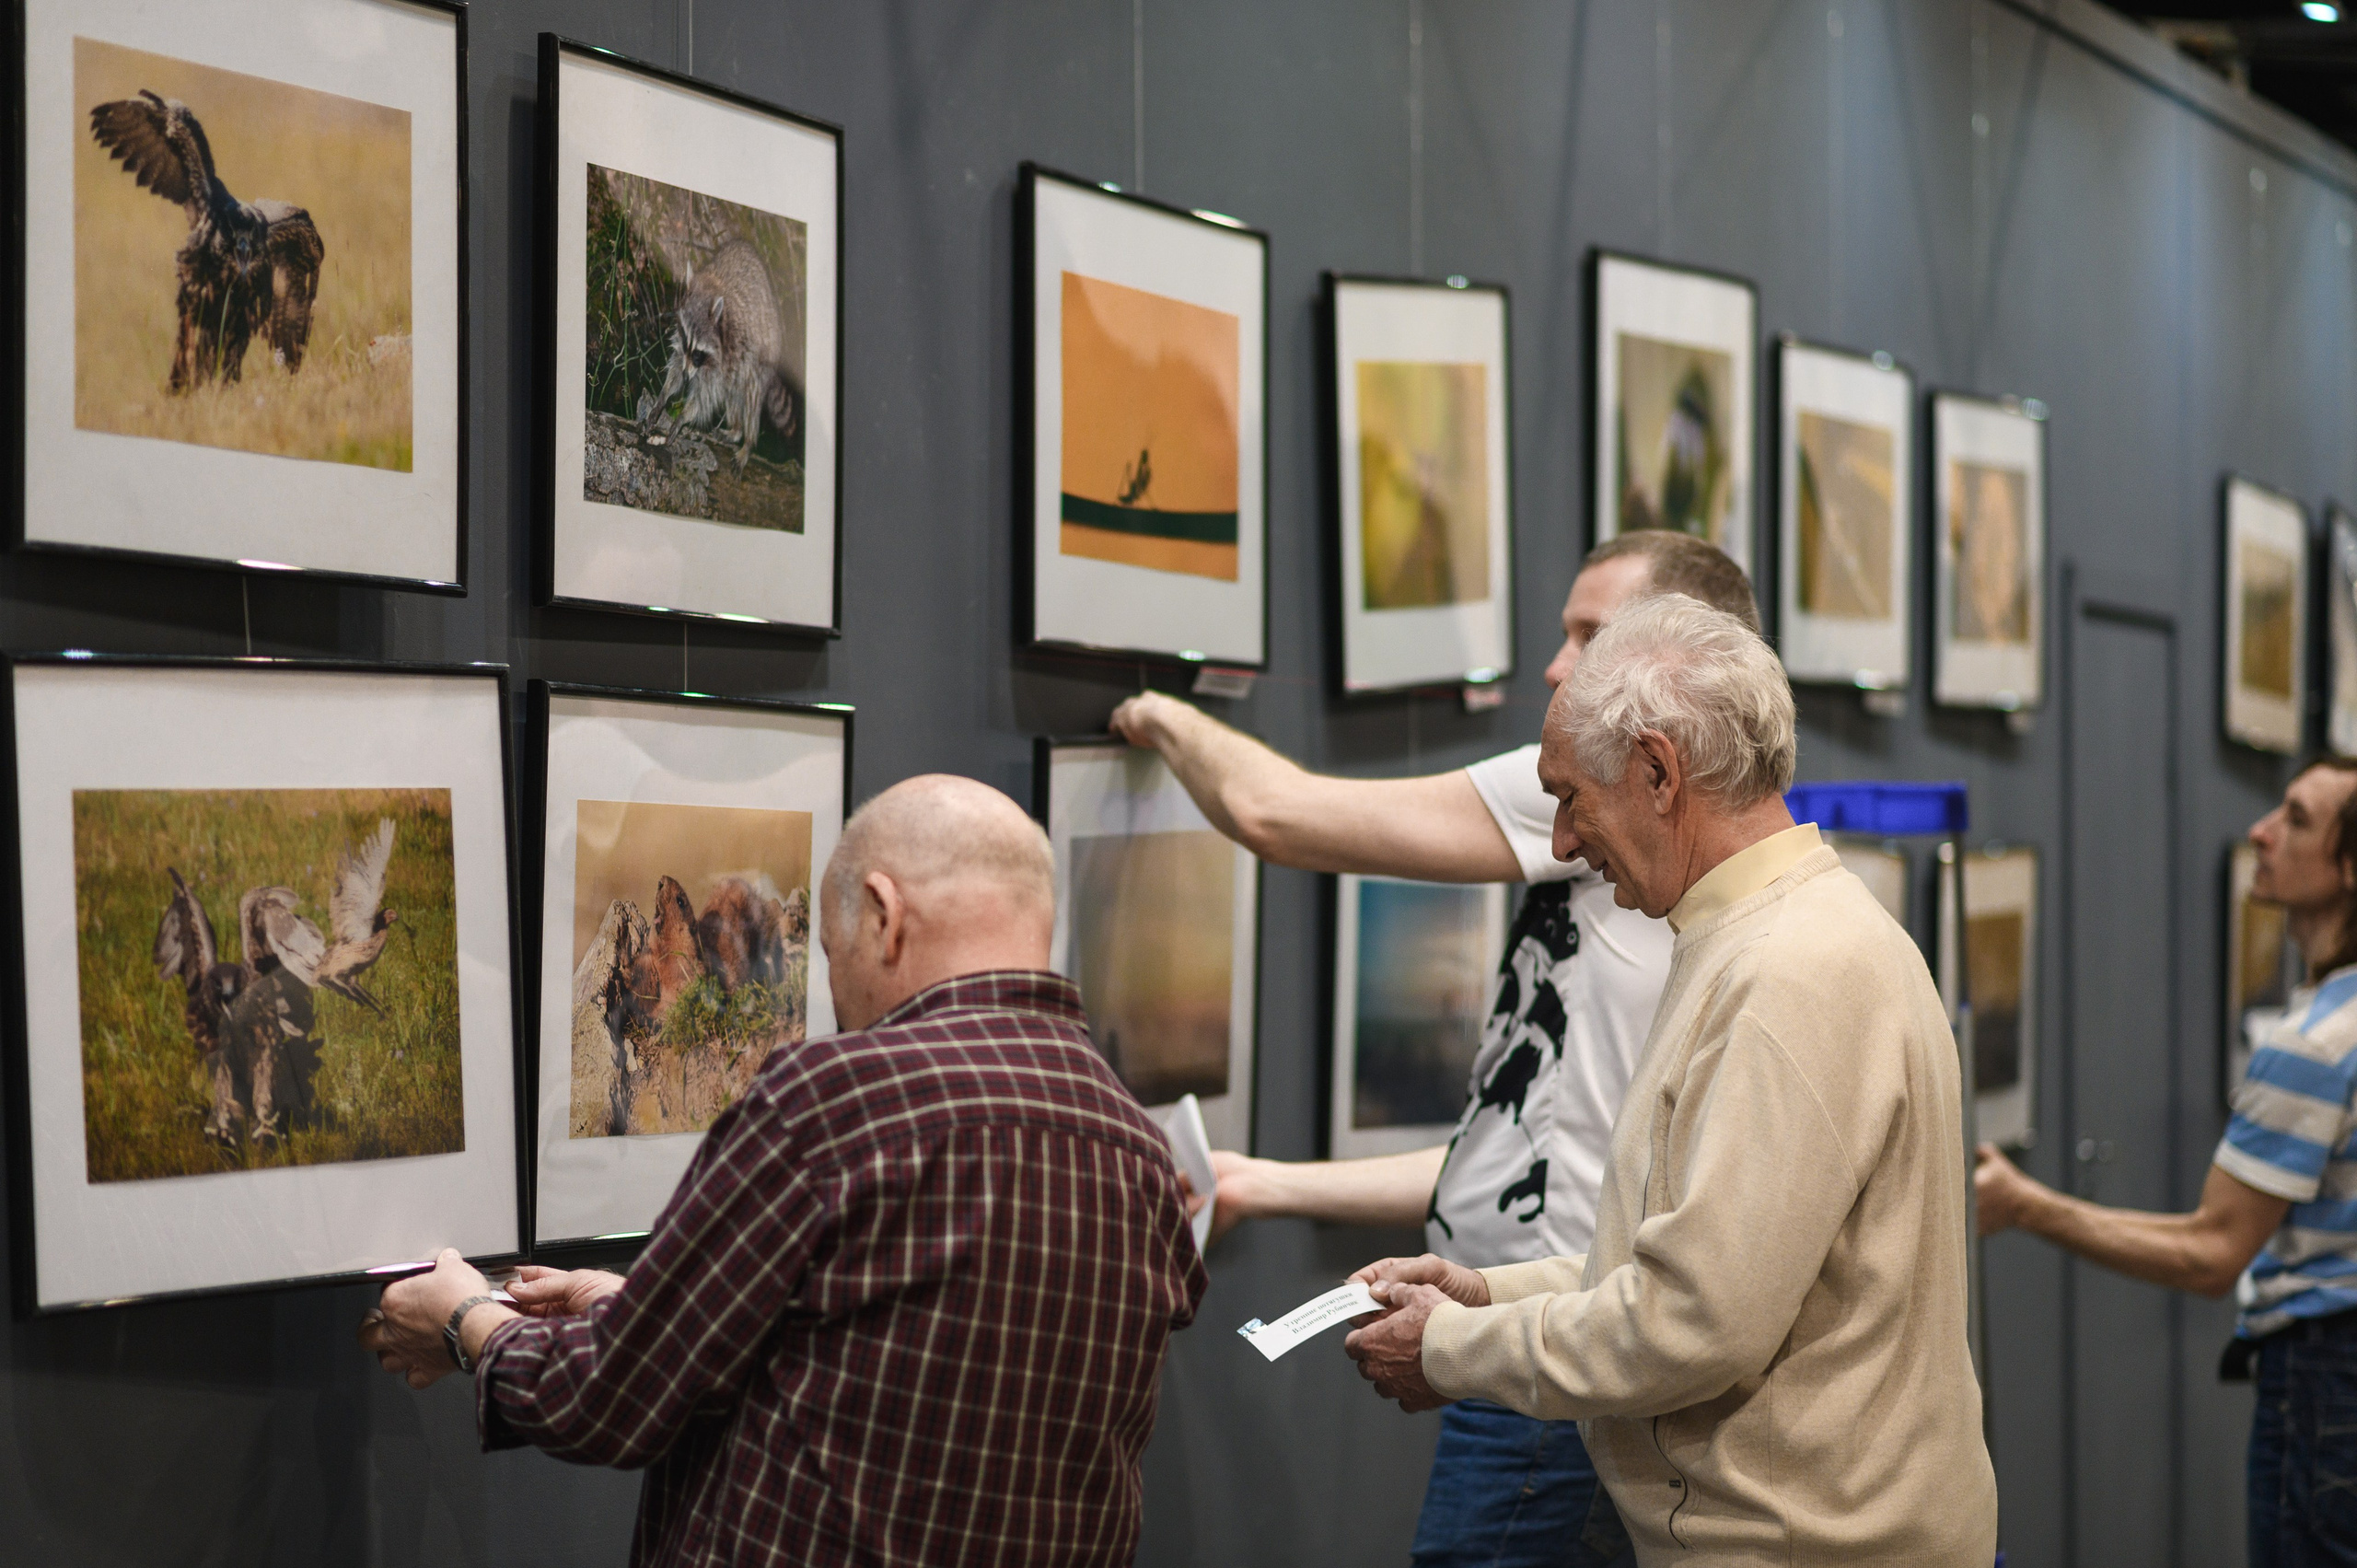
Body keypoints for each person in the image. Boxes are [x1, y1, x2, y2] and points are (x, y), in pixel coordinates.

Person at [1109, 529, 1758, 1568]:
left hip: (1553, 1367)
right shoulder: (1636, 865)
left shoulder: (1587, 788)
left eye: (1589, 636)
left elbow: (1275, 814)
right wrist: (1261, 1183)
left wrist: (1151, 708)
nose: (1555, 666)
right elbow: (1512, 1156)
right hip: (1529, 1342)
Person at [358, 774, 1206, 1568]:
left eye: (833, 958)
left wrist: (467, 1318)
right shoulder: (1136, 1148)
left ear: (883, 915)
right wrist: (639, 1305)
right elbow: (893, 1369)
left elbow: (611, 1406)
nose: (838, 999)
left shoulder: (834, 1101)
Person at [1342, 593, 1998, 1565]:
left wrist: (1451, 1349)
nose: (1562, 841)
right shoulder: (1773, 938)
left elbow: (1696, 1323)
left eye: (1570, 795)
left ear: (1658, 770)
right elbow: (1698, 1257)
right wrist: (1488, 1292)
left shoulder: (1787, 971)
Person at [1976, 757, 2357, 1566]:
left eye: (2293, 818)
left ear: (2350, 867)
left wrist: (2024, 1204)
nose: (2258, 831)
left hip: (2329, 1387)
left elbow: (2210, 1253)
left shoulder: (2316, 1043)